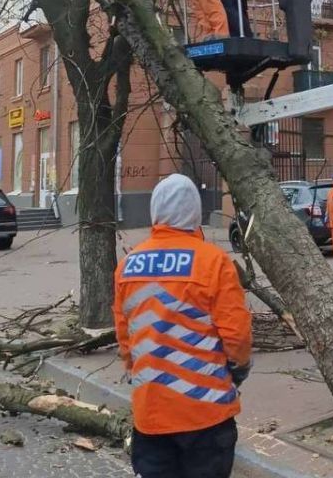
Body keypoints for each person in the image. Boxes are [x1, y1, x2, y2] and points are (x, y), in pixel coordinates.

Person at [113, 174, 252, 478]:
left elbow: (126, 338)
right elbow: (236, 335)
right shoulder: (213, 262)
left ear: (155, 210)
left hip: (150, 414)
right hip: (206, 415)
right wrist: (238, 369)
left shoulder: (128, 266)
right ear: (194, 212)